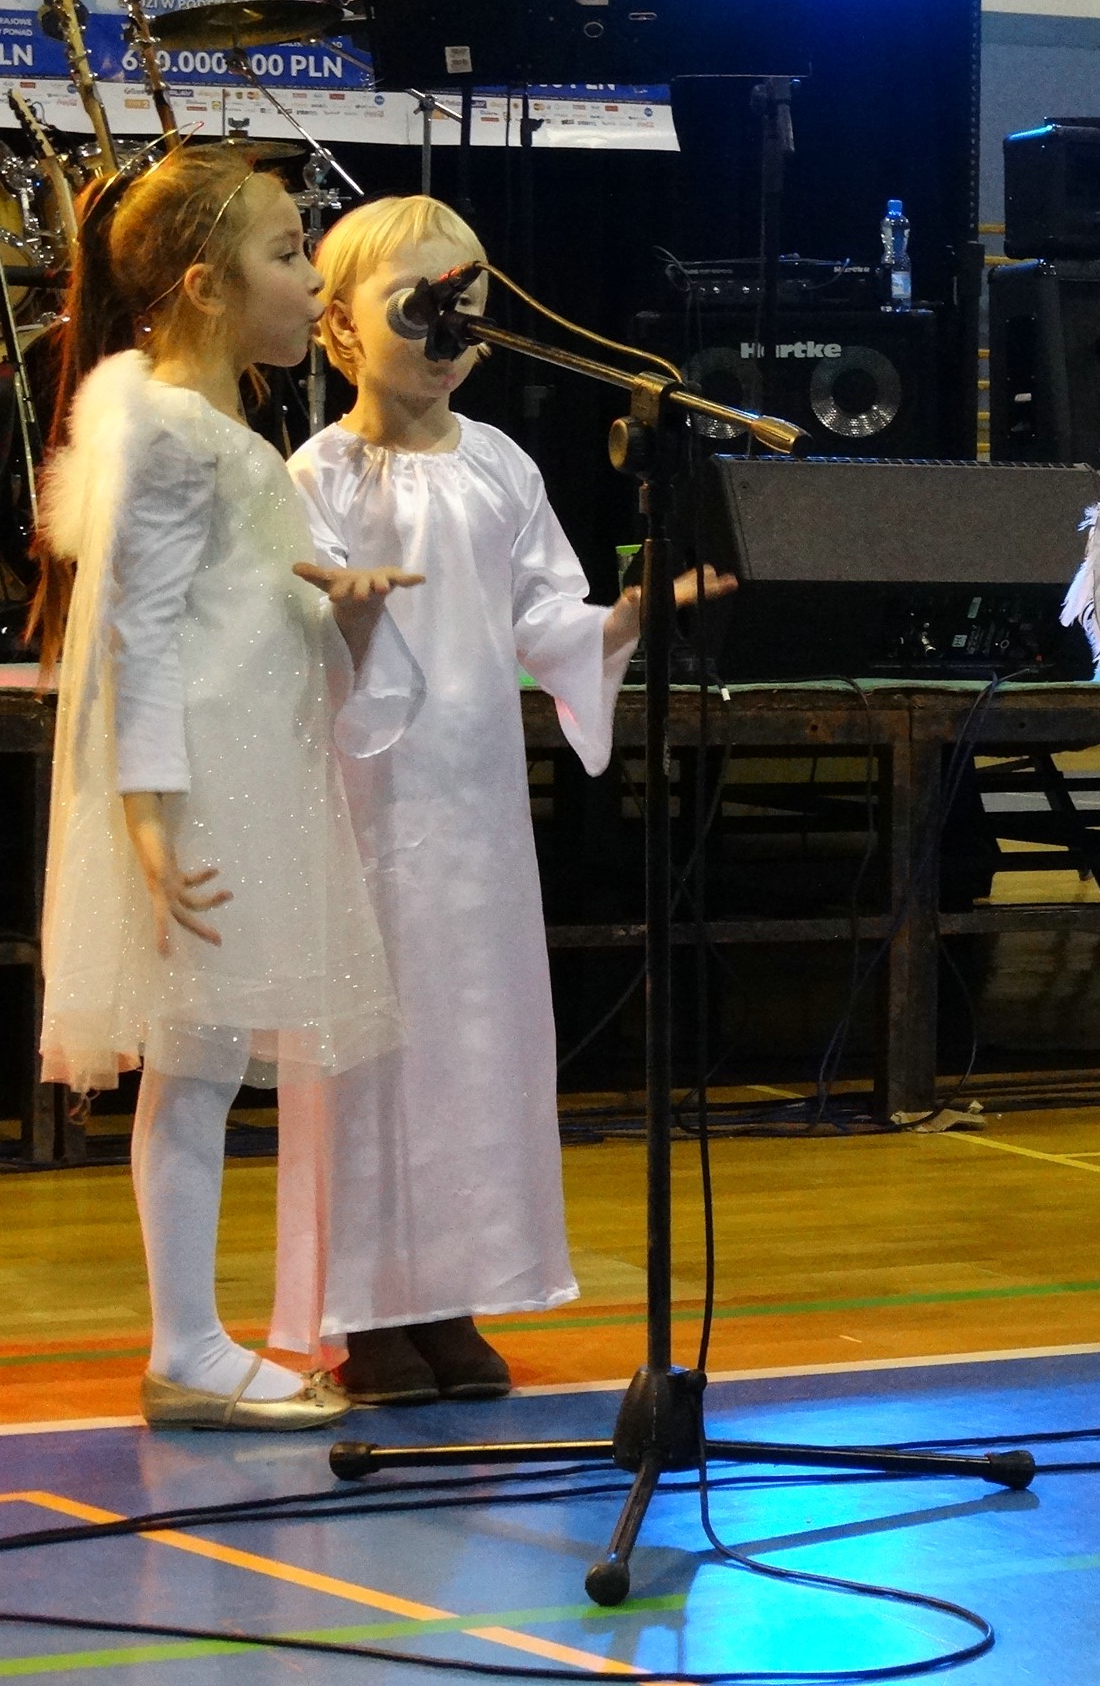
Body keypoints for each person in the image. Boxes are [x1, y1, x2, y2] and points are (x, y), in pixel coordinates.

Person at [269, 195, 727, 1404]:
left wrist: (624, 620)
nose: (447, 330)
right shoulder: (317, 474)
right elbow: (297, 631)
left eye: (464, 306)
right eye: (416, 305)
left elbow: (542, 617)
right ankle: (366, 1310)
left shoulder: (501, 465)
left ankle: (450, 1293)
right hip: (368, 801)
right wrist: (343, 616)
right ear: (340, 328)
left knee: (469, 1040)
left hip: (472, 809)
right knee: (370, 1049)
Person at [33, 146, 424, 1429]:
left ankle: (191, 1342)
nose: (313, 279)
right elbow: (138, 636)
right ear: (205, 286)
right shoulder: (167, 429)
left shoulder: (213, 427)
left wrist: (340, 607)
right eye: (286, 252)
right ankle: (187, 1347)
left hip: (240, 771)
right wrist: (149, 820)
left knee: (196, 1069)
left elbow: (235, 611)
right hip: (201, 791)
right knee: (194, 1069)